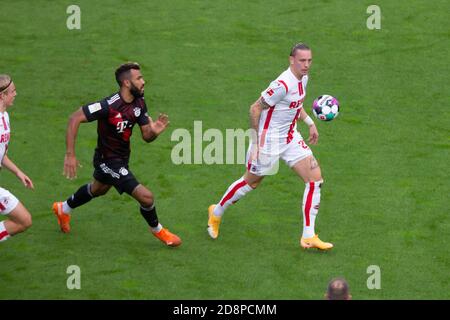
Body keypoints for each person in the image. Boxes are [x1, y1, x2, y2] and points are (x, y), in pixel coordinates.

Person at [208, 43, 333, 250]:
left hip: (290, 138)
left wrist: (310, 123)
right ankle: (216, 212)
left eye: (309, 60)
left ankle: (308, 236)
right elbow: (255, 108)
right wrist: (256, 142)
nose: (306, 65)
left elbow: (295, 105)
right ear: (291, 60)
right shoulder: (282, 84)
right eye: (302, 60)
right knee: (251, 182)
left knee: (315, 179)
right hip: (268, 142)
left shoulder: (304, 79)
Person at [52, 62, 181, 247]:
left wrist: (155, 131)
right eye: (139, 78)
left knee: (98, 189)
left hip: (122, 159)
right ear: (127, 83)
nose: (143, 81)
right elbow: (75, 118)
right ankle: (159, 231)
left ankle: (63, 208)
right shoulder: (108, 105)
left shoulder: (139, 102)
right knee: (147, 197)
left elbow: (146, 135)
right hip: (107, 161)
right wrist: (70, 154)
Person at [0, 74, 34, 242]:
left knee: (24, 220)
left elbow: (2, 155)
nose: (16, 94)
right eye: (12, 91)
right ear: (2, 95)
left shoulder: (5, 117)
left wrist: (18, 173)